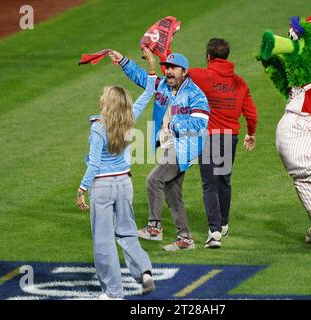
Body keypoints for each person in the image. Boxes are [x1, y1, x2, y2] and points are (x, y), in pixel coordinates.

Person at [107, 49, 210, 252]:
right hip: (170, 145)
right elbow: (141, 77)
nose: (169, 72)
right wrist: (123, 61)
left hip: (185, 147)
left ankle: (154, 227)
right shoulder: (162, 85)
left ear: (184, 71)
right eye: (167, 68)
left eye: (173, 68)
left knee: (154, 180)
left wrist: (173, 125)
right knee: (172, 193)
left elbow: (200, 123)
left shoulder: (195, 94)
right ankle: (185, 239)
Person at [76, 48, 156, 299]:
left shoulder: (99, 129)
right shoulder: (130, 118)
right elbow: (150, 91)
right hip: (125, 184)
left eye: (104, 96)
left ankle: (113, 292)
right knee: (127, 231)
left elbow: (95, 164)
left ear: (107, 104)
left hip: (102, 187)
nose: (101, 98)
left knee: (103, 241)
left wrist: (82, 188)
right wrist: (151, 64)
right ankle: (144, 271)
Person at [188, 38, 258, 248]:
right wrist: (251, 133)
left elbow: (175, 71)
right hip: (230, 138)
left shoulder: (203, 75)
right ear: (227, 55)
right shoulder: (240, 82)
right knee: (223, 180)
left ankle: (215, 232)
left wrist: (164, 51)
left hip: (209, 138)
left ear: (209, 56)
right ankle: (224, 224)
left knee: (209, 184)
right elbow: (251, 113)